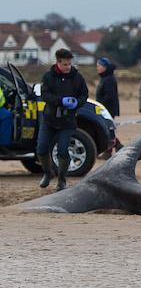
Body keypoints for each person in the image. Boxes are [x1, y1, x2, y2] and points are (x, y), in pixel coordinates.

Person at [36, 49, 89, 191]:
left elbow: (84, 95)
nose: (68, 67)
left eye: (70, 64)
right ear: (58, 62)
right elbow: (45, 95)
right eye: (65, 64)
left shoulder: (77, 78)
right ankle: (48, 173)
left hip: (67, 122)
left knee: (63, 151)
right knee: (41, 149)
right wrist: (61, 101)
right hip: (49, 120)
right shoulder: (48, 77)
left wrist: (77, 102)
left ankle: (61, 180)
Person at [94, 57, 124, 158]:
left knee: (108, 130)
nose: (97, 67)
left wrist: (100, 105)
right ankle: (118, 145)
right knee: (108, 129)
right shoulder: (104, 78)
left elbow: (109, 96)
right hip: (104, 108)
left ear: (104, 67)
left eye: (99, 66)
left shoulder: (109, 79)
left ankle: (108, 151)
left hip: (108, 108)